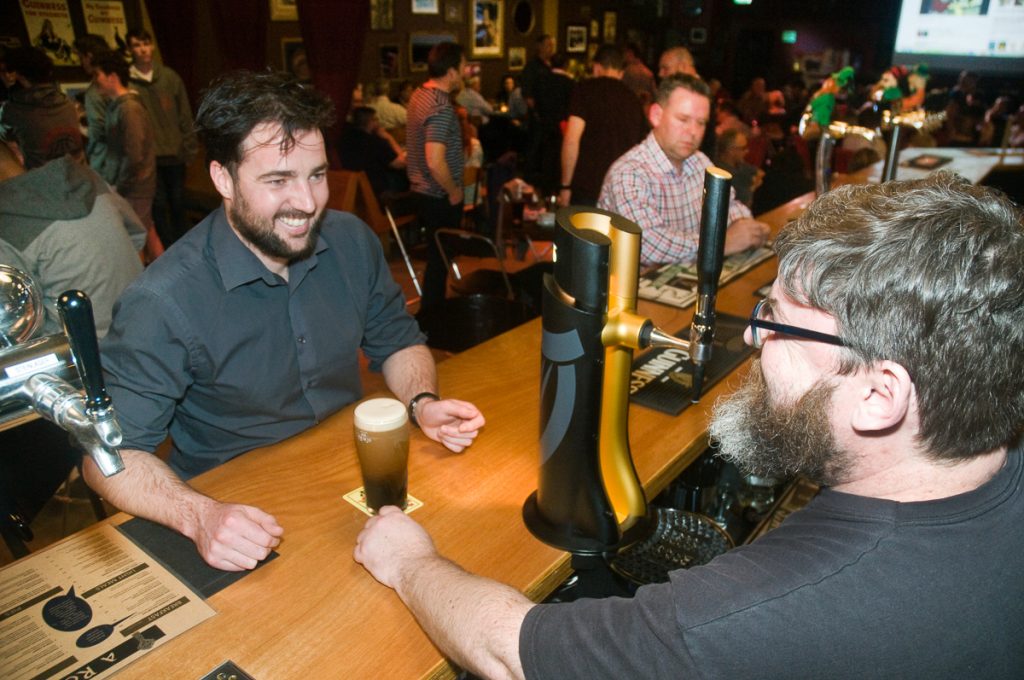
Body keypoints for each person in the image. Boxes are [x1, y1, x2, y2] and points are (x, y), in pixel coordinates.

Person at [355, 172, 1024, 678]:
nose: (753, 336)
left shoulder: (770, 609)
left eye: (777, 321)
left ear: (880, 396)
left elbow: (510, 652)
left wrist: (410, 562)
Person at [89, 70, 485, 571]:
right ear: (223, 179)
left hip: (343, 480)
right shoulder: (161, 301)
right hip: (236, 509)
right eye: (278, 181)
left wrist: (422, 401)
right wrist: (199, 516)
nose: (307, 202)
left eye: (316, 175)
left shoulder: (351, 240)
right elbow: (108, 458)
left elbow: (398, 339)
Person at [599, 74, 768, 267]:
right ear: (656, 116)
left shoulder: (699, 162)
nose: (693, 131)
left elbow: (729, 207)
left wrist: (746, 228)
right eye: (683, 119)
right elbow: (648, 244)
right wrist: (718, 245)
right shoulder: (628, 173)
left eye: (701, 123)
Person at [0, 139, 144, 337]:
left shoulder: (6, 229)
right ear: (17, 152)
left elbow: (16, 325)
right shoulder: (88, 179)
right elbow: (138, 235)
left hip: (86, 348)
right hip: (143, 316)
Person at [405, 42, 466, 311]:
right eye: (462, 67)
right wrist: (453, 190)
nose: (464, 73)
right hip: (438, 194)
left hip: (421, 190)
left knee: (436, 257)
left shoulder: (419, 95)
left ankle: (433, 314)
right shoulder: (440, 106)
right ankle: (433, 316)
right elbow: (434, 160)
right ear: (451, 71)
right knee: (440, 260)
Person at [126, 28, 197, 247]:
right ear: (130, 50)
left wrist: (190, 147)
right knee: (157, 205)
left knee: (178, 200)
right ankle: (167, 247)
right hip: (149, 157)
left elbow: (185, 114)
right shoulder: (128, 83)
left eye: (146, 44)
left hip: (174, 152)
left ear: (152, 46)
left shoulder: (169, 77)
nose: (143, 49)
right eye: (137, 45)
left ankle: (187, 243)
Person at [91, 49, 162, 263]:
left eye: (98, 75)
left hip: (135, 184)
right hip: (133, 182)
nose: (95, 81)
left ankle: (141, 279)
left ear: (112, 76)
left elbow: (135, 154)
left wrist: (120, 184)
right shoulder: (119, 106)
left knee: (136, 237)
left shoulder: (129, 108)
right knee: (147, 230)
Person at [558, 45, 648, 207]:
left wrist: (565, 186)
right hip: (621, 190)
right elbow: (641, 147)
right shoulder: (633, 100)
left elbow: (571, 139)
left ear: (597, 67)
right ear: (621, 73)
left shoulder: (584, 91)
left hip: (587, 188)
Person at [0, 47, 84, 169]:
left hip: (44, 179)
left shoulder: (13, 110)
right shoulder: (67, 102)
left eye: (4, 71)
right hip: (81, 175)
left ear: (15, 75)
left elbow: (4, 135)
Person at [658, 46, 716, 157]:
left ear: (682, 66)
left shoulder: (703, 96)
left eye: (665, 68)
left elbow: (707, 142)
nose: (660, 74)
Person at [338, 105, 407, 197]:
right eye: (376, 119)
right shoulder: (375, 142)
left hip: (353, 185)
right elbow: (400, 163)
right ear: (371, 122)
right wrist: (389, 138)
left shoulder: (345, 137)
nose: (379, 123)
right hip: (377, 188)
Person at [72, 34, 111, 171]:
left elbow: (99, 133)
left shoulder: (97, 90)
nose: (81, 63)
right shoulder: (122, 82)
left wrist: (78, 125)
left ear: (89, 56)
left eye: (80, 58)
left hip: (106, 163)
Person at [715, 127, 763, 208]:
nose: (747, 151)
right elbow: (747, 204)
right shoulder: (724, 175)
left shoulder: (739, 164)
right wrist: (754, 186)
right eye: (743, 148)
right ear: (731, 150)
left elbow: (760, 173)